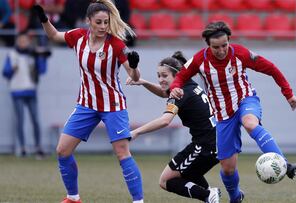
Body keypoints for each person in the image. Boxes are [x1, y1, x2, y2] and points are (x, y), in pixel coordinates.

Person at [169, 21, 296, 203]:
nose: (222, 50)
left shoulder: (240, 53)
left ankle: (284, 164)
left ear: (229, 41)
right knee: (228, 168)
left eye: (224, 45)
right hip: (222, 115)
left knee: (250, 122)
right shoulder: (200, 59)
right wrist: (175, 87)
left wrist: (289, 94)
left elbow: (271, 68)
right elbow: (180, 76)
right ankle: (235, 197)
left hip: (245, 100)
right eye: (216, 47)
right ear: (208, 45)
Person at [33, 1, 144, 203]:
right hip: (86, 104)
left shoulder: (117, 45)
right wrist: (43, 19)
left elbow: (134, 77)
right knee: (62, 150)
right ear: (88, 21)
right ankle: (73, 198)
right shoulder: (78, 37)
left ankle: (138, 201)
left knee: (122, 153)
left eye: (106, 22)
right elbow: (54, 36)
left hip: (113, 106)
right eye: (99, 22)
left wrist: (135, 67)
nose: (103, 26)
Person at [127, 51, 220, 203]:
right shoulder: (190, 84)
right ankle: (210, 193)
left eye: (164, 76)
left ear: (176, 75)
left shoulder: (179, 92)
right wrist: (144, 82)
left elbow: (165, 120)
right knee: (188, 174)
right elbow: (165, 93)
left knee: (165, 181)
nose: (161, 79)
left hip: (205, 146)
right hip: (215, 142)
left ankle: (208, 195)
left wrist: (136, 132)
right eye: (158, 76)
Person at [2, 31, 48, 158]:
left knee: (35, 120)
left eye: (25, 41)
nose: (23, 43)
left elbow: (42, 70)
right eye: (21, 41)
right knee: (20, 120)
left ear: (28, 42)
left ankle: (38, 147)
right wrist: (12, 69)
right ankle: (22, 148)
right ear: (17, 41)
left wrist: (42, 57)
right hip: (17, 91)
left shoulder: (32, 55)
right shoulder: (11, 54)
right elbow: (5, 73)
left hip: (31, 90)